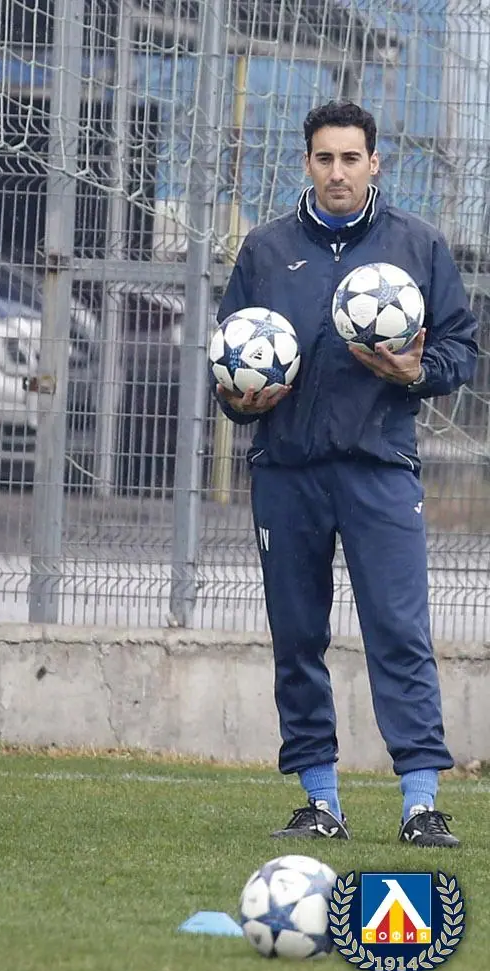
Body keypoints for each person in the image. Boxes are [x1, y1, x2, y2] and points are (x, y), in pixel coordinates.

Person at [215, 99, 478, 848]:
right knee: (298, 636)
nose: (338, 172)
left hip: (379, 470)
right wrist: (241, 401)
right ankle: (319, 801)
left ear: (374, 164)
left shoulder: (417, 245)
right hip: (287, 472)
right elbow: (229, 364)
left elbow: (461, 348)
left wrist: (415, 371)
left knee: (399, 632)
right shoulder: (266, 251)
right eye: (325, 158)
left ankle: (420, 803)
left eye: (351, 159)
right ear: (307, 163)